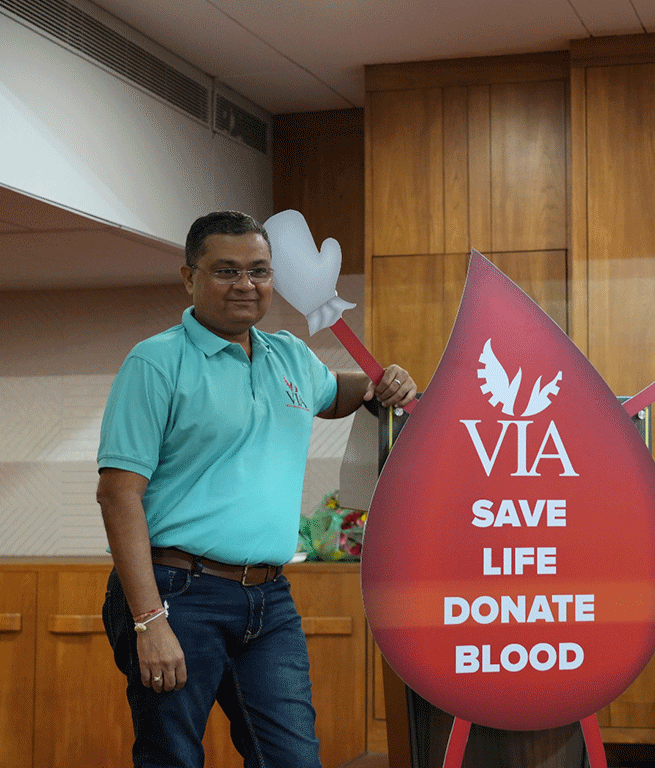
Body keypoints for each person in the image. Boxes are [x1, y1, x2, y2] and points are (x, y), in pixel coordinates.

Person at [97, 210, 416, 768]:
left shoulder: (288, 355)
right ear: (189, 277)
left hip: (269, 599)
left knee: (293, 758)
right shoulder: (156, 362)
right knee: (171, 757)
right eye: (226, 271)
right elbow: (118, 495)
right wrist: (149, 621)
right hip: (177, 593)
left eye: (259, 271)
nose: (245, 284)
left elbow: (335, 393)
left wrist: (382, 382)